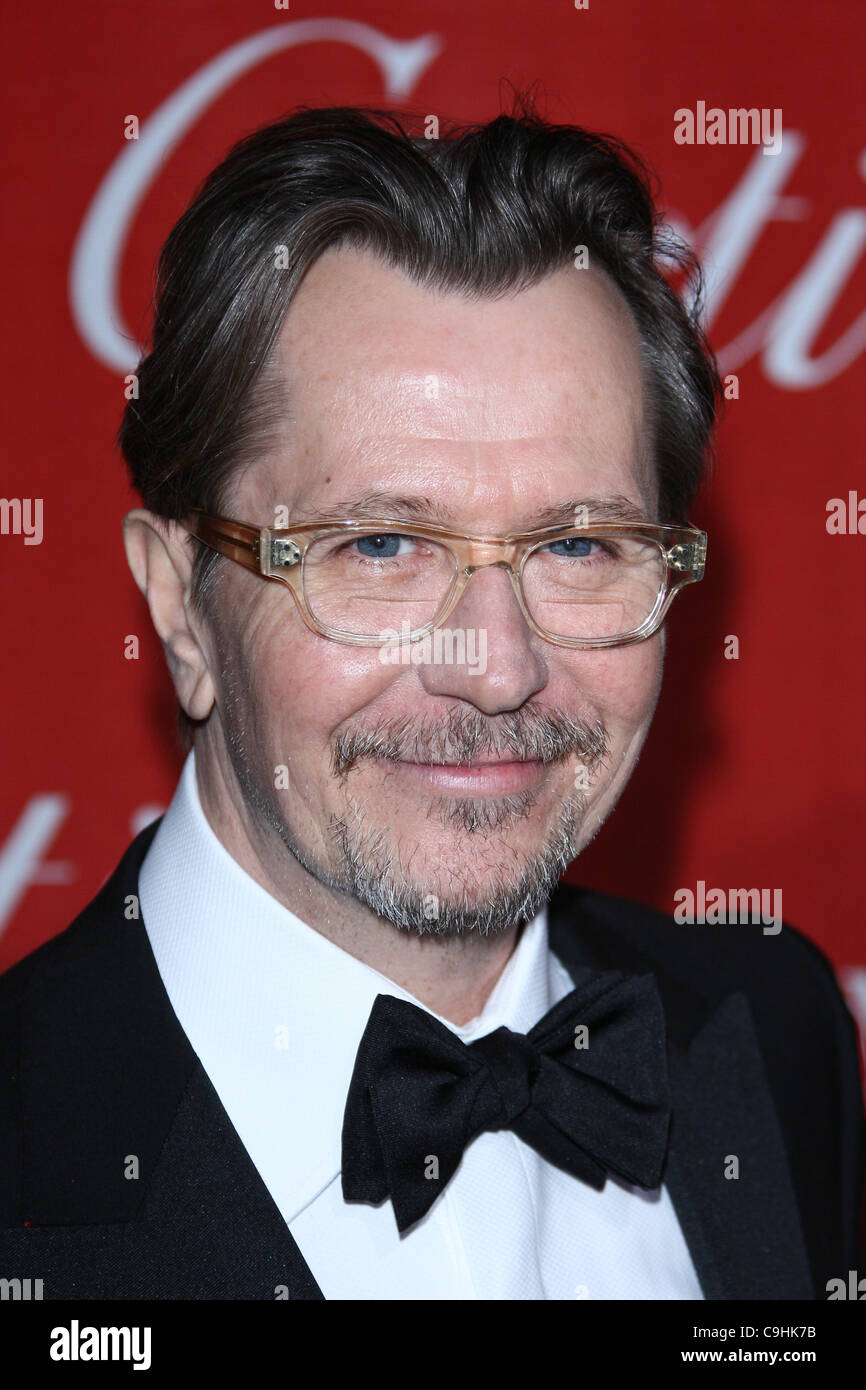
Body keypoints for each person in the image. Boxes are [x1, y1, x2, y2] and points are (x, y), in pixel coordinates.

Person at [1, 101, 862, 1301]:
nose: (496, 667)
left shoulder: (768, 1034)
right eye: (381, 544)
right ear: (180, 606)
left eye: (578, 547)